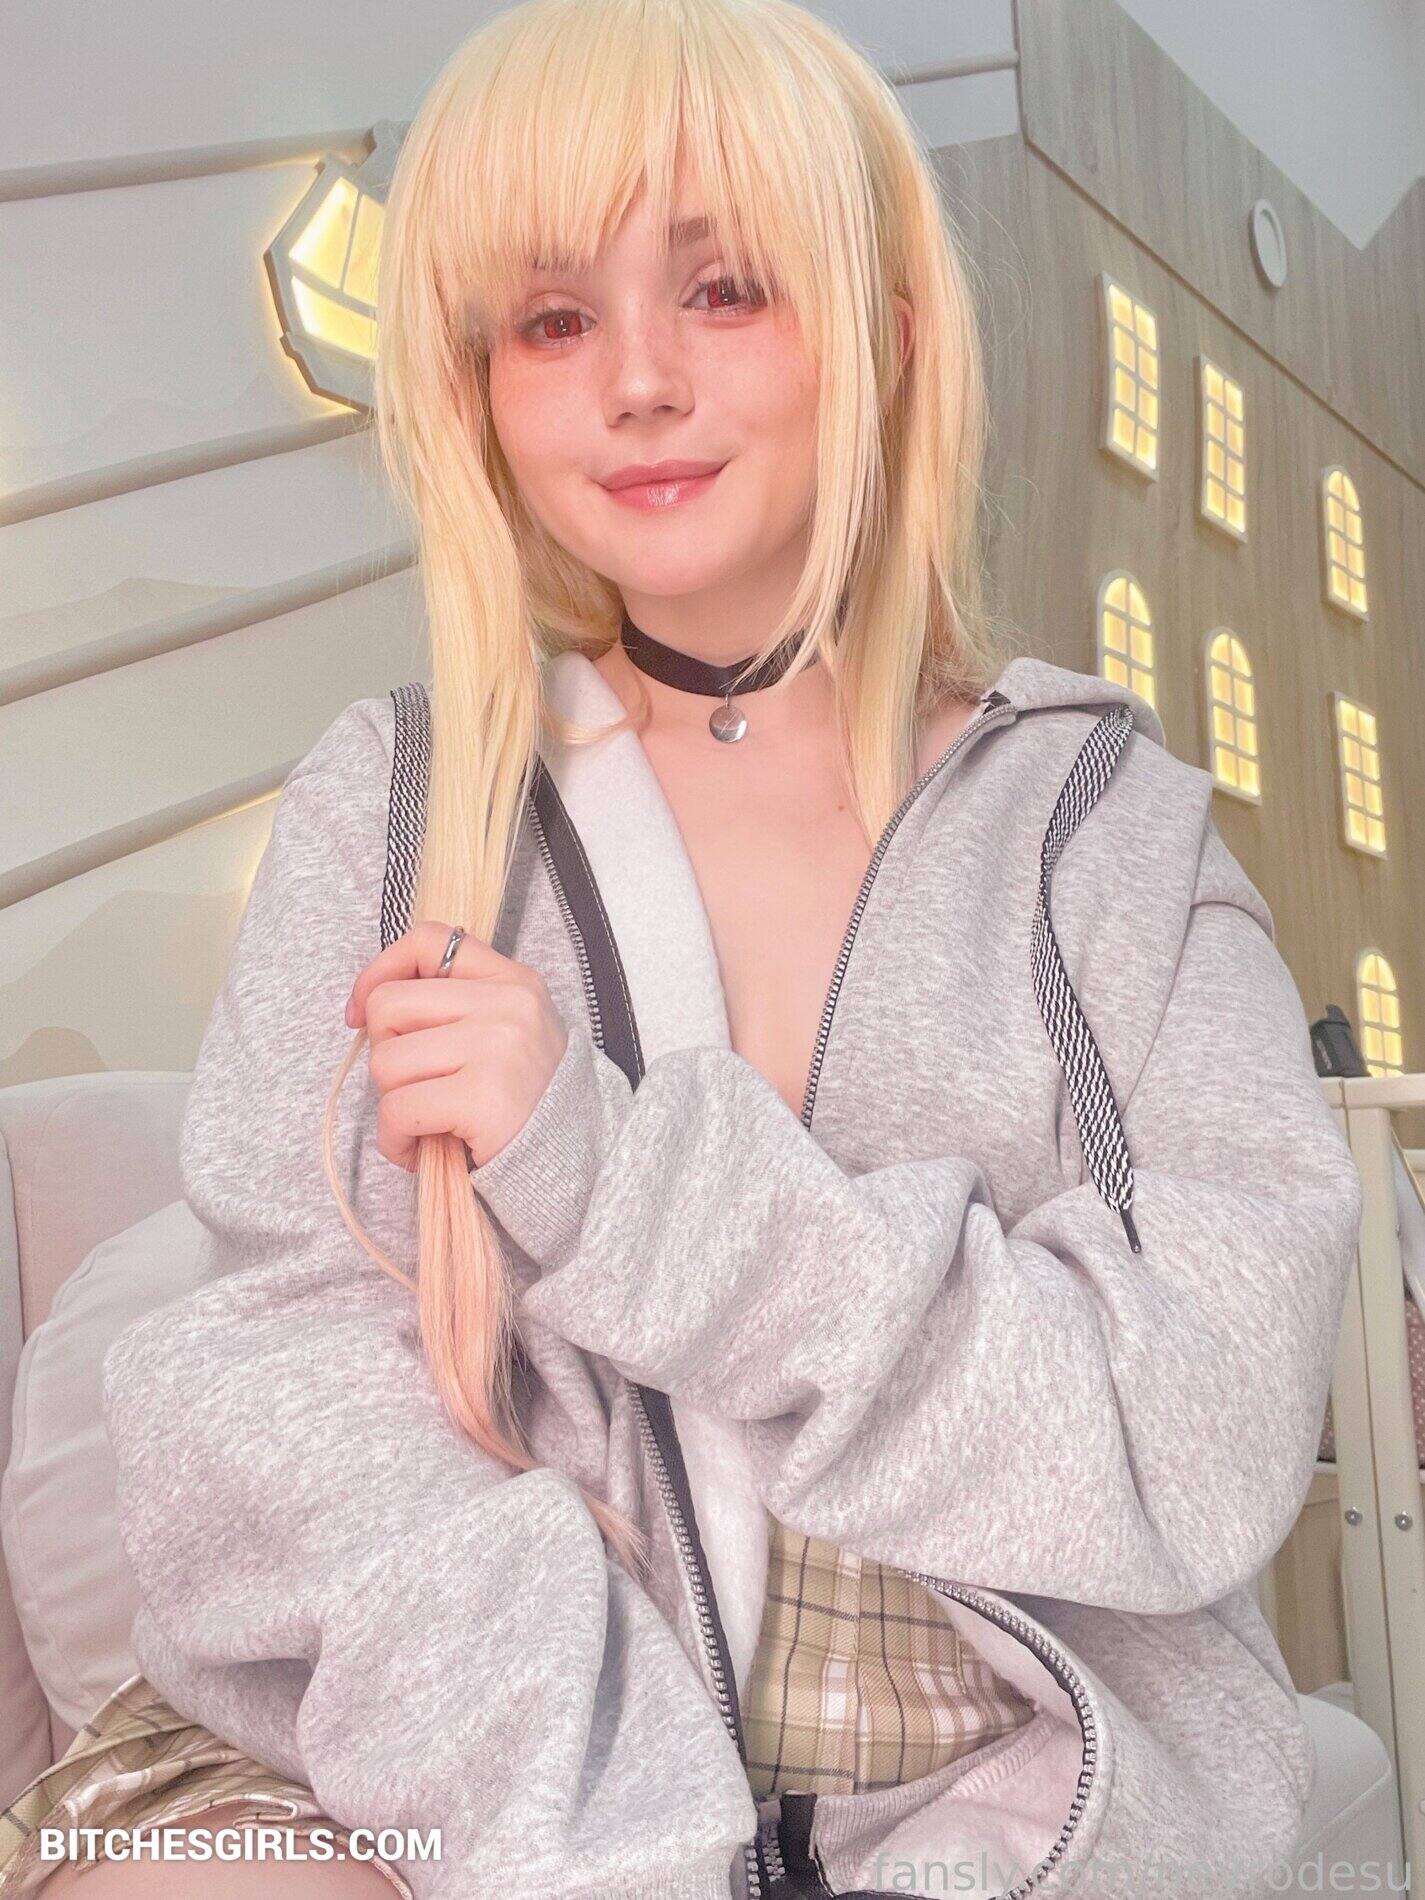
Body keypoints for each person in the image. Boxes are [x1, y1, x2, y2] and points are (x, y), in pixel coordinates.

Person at [0, 0, 1364, 1893]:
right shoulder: (398, 807)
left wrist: (622, 1184)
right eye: (552, 319)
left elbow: (1191, 1426)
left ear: (885, 334)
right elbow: (286, 1399)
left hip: (994, 1788)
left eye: (725, 290)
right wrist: (603, 1836)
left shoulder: (1104, 838)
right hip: (451, 1757)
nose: (635, 382)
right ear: (477, 382)